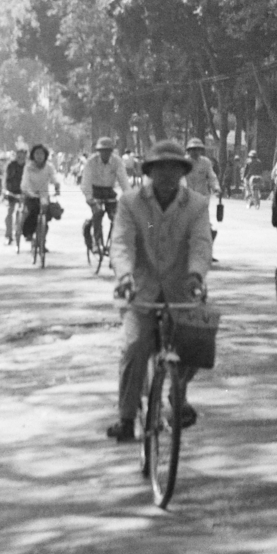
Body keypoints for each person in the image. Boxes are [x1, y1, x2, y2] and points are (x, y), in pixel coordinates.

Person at [107, 140, 212, 442]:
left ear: (183, 171)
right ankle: (127, 418)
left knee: (197, 344)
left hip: (183, 288)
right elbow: (121, 243)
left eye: (174, 168)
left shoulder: (196, 204)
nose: (167, 174)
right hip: (140, 289)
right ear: (150, 171)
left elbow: (201, 244)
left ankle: (178, 395)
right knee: (135, 346)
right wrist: (125, 275)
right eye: (160, 168)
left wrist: (196, 274)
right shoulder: (130, 202)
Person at [80, 137, 128, 255]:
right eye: (103, 151)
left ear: (112, 151)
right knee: (98, 213)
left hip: (109, 191)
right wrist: (89, 198)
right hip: (95, 191)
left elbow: (123, 180)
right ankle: (96, 242)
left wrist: (128, 197)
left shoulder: (117, 161)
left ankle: (114, 244)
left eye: (108, 151)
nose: (105, 153)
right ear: (98, 151)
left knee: (116, 217)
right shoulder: (91, 162)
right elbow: (86, 181)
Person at [184, 138, 222, 259]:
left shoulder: (205, 162)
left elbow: (212, 177)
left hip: (202, 198)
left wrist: (216, 188)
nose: (195, 152)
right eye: (192, 150)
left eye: (198, 150)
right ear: (188, 150)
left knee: (205, 226)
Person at [20, 144, 59, 245]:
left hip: (44, 196)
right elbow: (25, 182)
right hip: (30, 195)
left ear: (45, 155)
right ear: (33, 155)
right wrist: (28, 192)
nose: (39, 156)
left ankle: (41, 242)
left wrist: (57, 185)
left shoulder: (49, 167)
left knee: (45, 218)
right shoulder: (28, 167)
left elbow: (54, 177)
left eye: (41, 153)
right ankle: (28, 233)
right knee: (33, 211)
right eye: (37, 153)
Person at [0, 147, 27, 244]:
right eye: (19, 155)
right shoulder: (11, 166)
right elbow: (5, 179)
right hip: (12, 192)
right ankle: (8, 235)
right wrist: (5, 191)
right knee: (9, 213)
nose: (21, 157)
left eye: (23, 155)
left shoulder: (28, 167)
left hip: (25, 193)